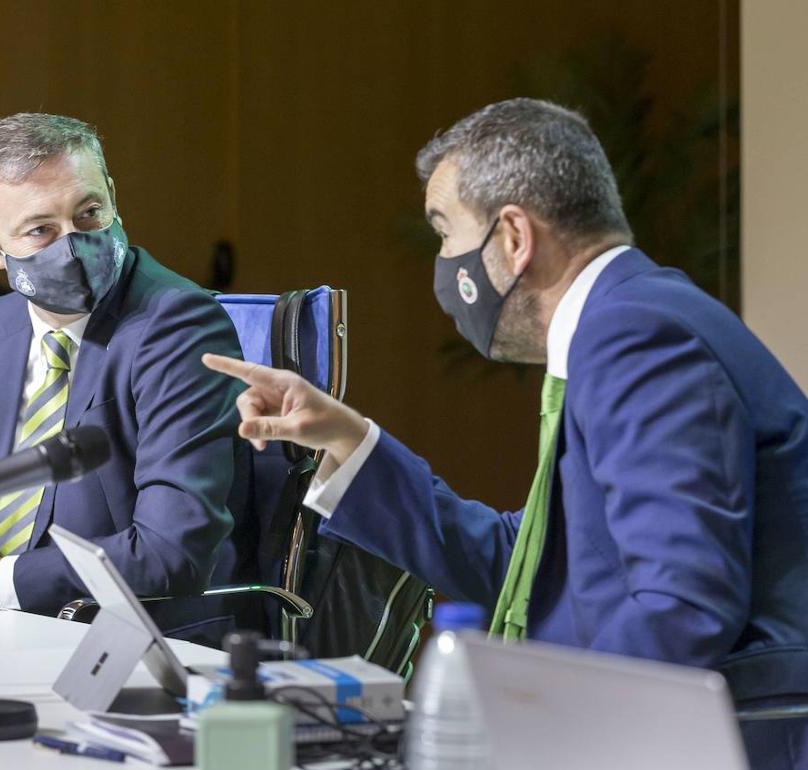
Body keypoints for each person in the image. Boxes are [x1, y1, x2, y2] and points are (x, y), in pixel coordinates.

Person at [203, 98, 808, 767]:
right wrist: (348, 443)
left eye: (447, 234)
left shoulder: (636, 335)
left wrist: (534, 734)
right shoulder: (631, 319)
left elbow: (680, 608)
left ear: (515, 238)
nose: (443, 261)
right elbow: (530, 562)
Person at [0, 113, 249, 641]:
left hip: (129, 639)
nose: (74, 244)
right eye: (40, 230)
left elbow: (173, 550)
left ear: (114, 198)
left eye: (89, 212)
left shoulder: (178, 325)